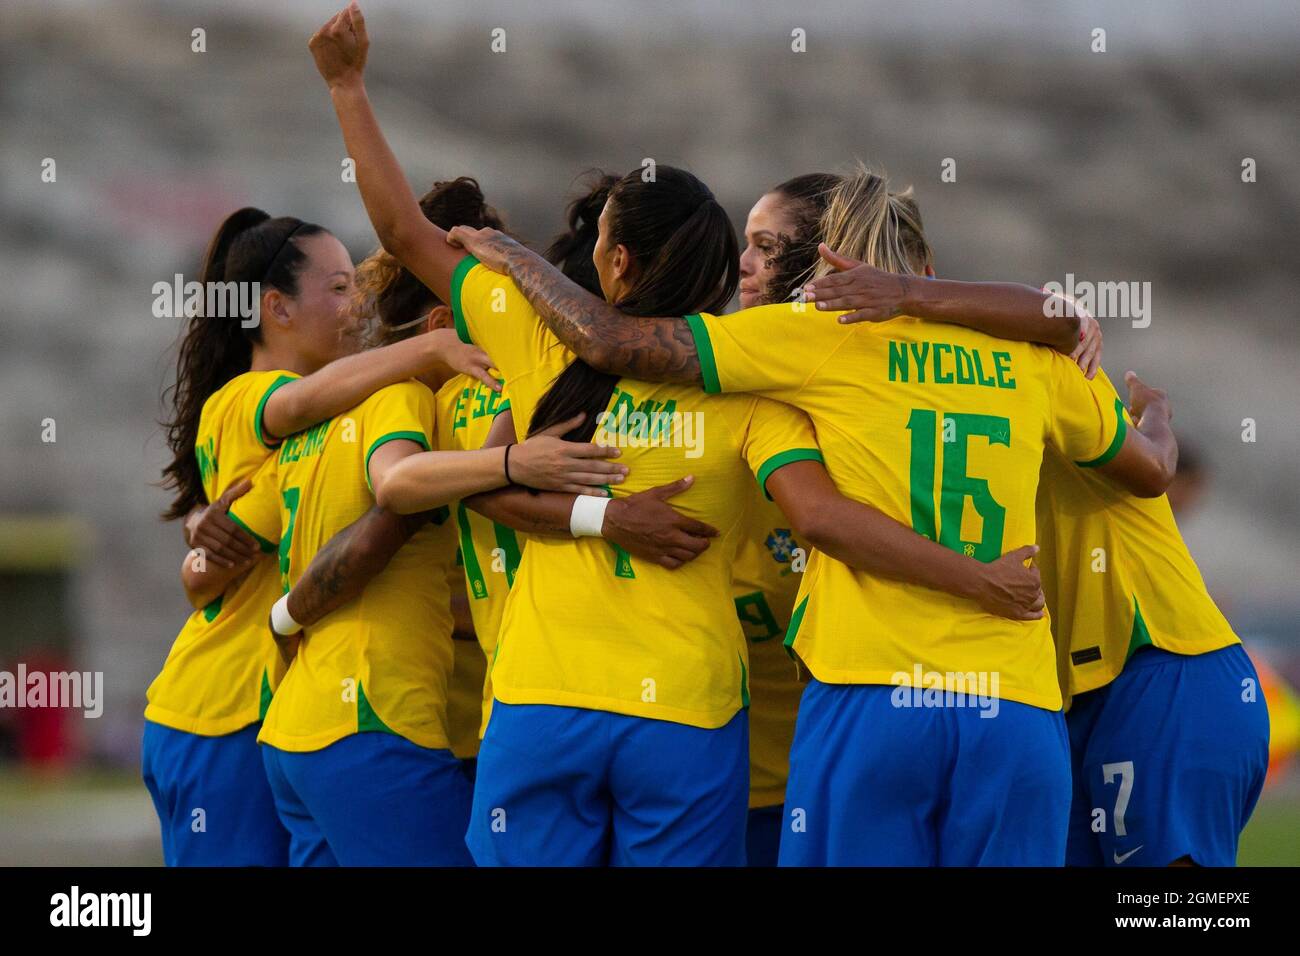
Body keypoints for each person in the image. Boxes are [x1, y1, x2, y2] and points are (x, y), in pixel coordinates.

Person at [307, 4, 1055, 865]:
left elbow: (402, 231)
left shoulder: (531, 332)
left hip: (544, 699)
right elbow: (817, 514)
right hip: (689, 713)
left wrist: (347, 86)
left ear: (615, 263)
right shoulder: (755, 388)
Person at [447, 162, 1182, 865]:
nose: (753, 267)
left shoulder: (810, 337)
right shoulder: (1033, 354)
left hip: (872, 692)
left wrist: (511, 255)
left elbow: (612, 343)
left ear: (828, 262)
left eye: (773, 250)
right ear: (923, 266)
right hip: (1016, 705)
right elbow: (1149, 470)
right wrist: (1147, 403)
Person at [147, 205, 495, 866]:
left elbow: (203, 574)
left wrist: (202, 544)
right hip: (226, 704)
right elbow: (300, 415)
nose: (354, 306)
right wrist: (428, 350)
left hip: (269, 711)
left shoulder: (326, 422)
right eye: (338, 289)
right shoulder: (254, 397)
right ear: (276, 308)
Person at [1036, 374, 1270, 866]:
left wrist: (910, 295)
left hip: (1160, 667)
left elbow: (1055, 320)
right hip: (1085, 695)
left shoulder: (1048, 382)